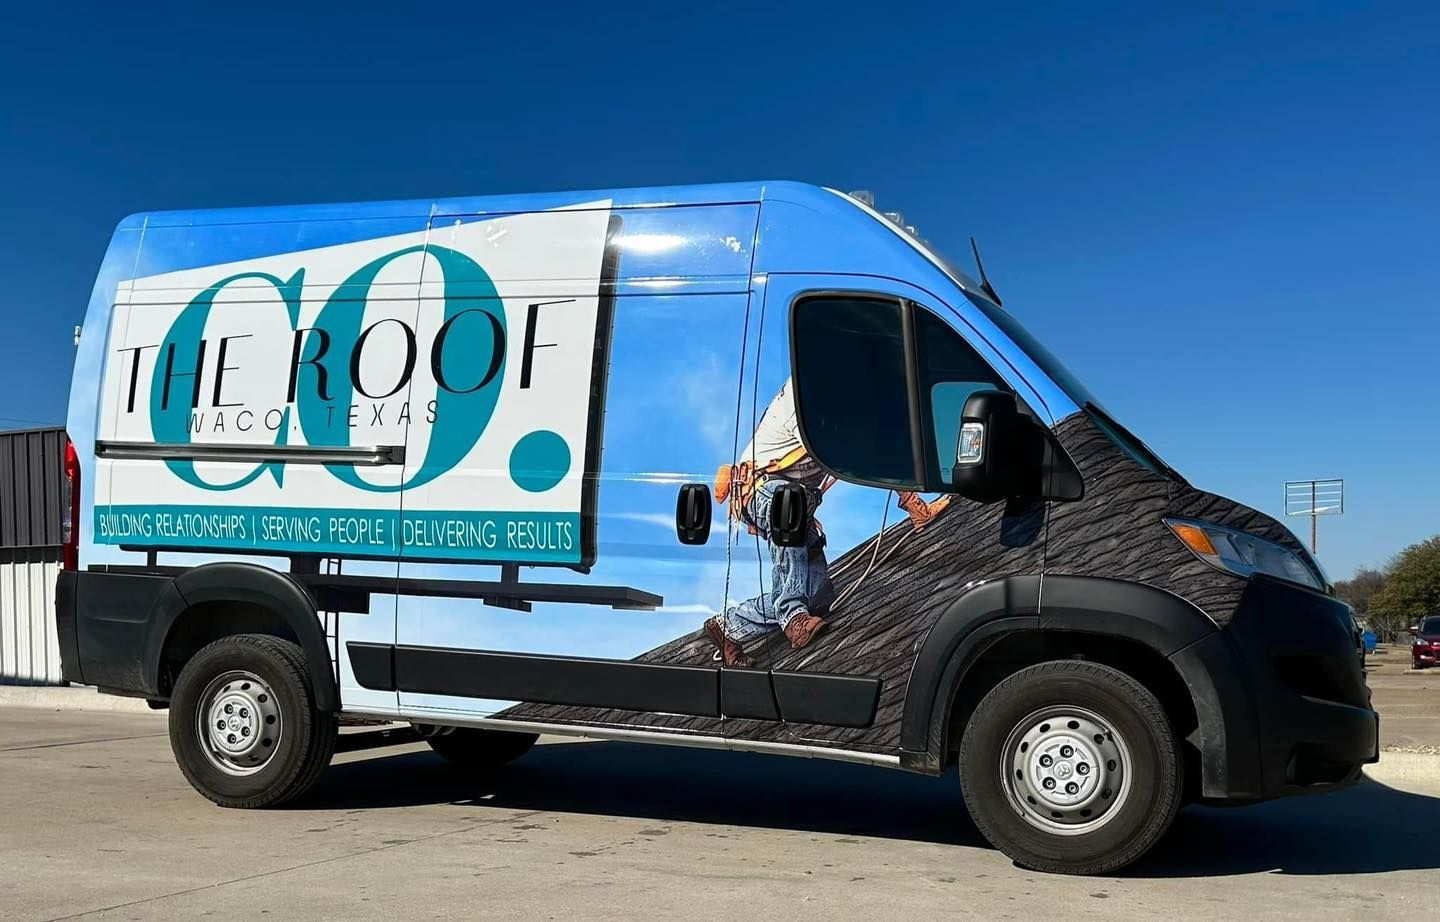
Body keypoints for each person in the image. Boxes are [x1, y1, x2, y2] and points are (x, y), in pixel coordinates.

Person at [703, 378, 947, 668]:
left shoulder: (840, 398)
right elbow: (842, 447)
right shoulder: (803, 394)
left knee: (817, 596)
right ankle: (794, 619)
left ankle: (728, 625)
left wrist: (914, 504)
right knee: (789, 505)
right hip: (763, 490)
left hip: (794, 501)